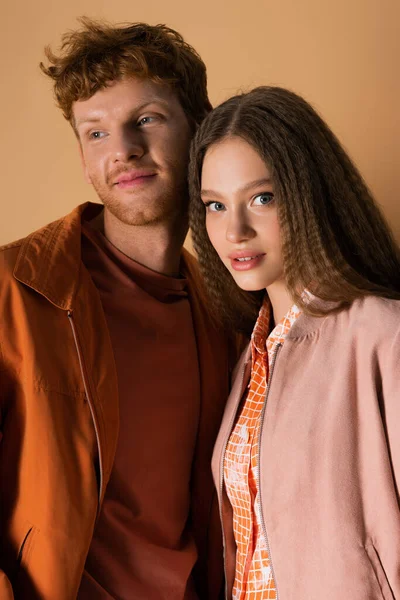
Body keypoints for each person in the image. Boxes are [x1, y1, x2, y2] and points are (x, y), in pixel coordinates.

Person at [0, 18, 237, 600]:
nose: (124, 149)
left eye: (147, 119)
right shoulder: (14, 289)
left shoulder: (227, 315)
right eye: (96, 133)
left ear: (199, 129)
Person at [188, 86, 400, 599]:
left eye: (262, 198)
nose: (234, 230)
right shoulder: (250, 358)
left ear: (310, 192)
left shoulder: (381, 334)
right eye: (216, 205)